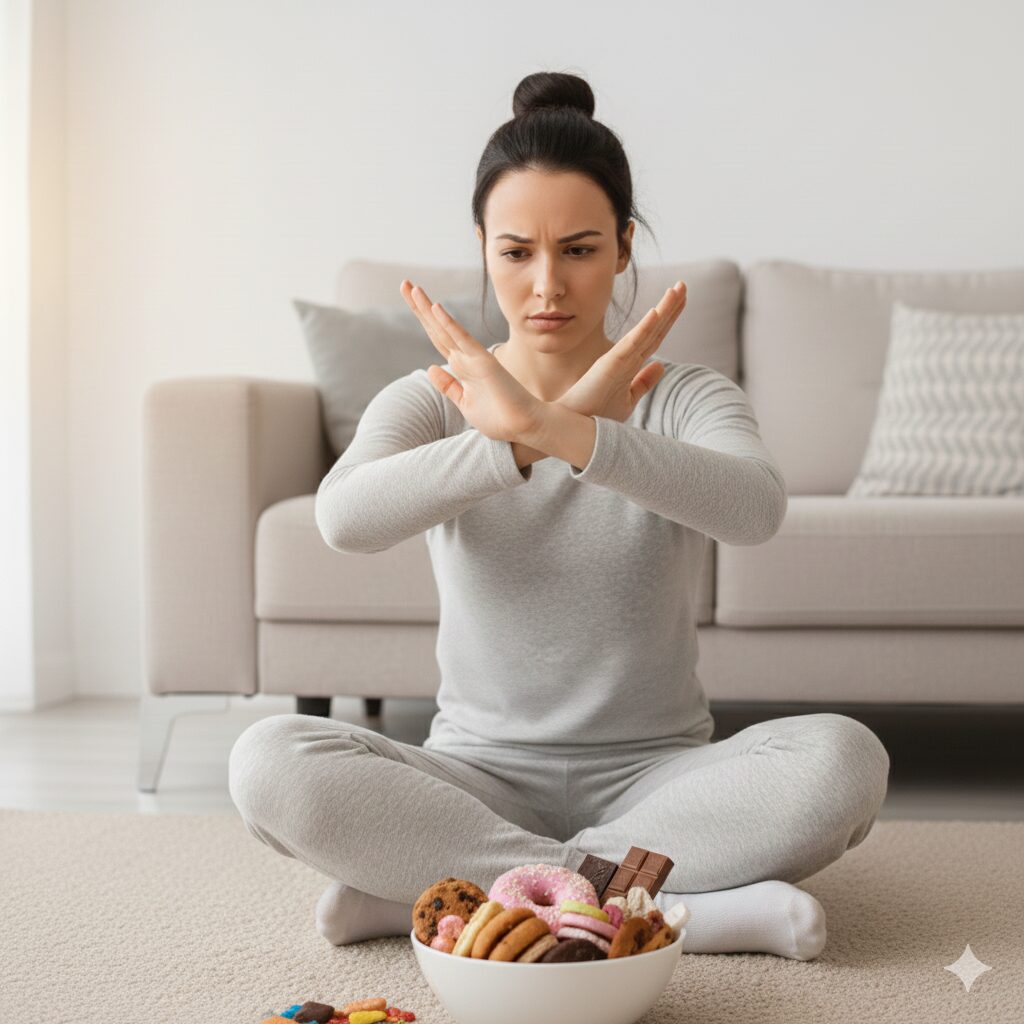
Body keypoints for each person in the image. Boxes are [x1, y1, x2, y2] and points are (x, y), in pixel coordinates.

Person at [228, 70, 890, 960]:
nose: (547, 285)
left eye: (579, 250)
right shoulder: (432, 398)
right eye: (516, 253)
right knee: (265, 760)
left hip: (659, 778)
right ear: (483, 249)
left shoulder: (685, 395)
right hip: (477, 776)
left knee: (845, 761)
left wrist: (565, 432)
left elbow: (756, 509)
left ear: (622, 249)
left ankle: (455, 902)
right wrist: (511, 445)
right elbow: (346, 518)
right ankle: (662, 909)